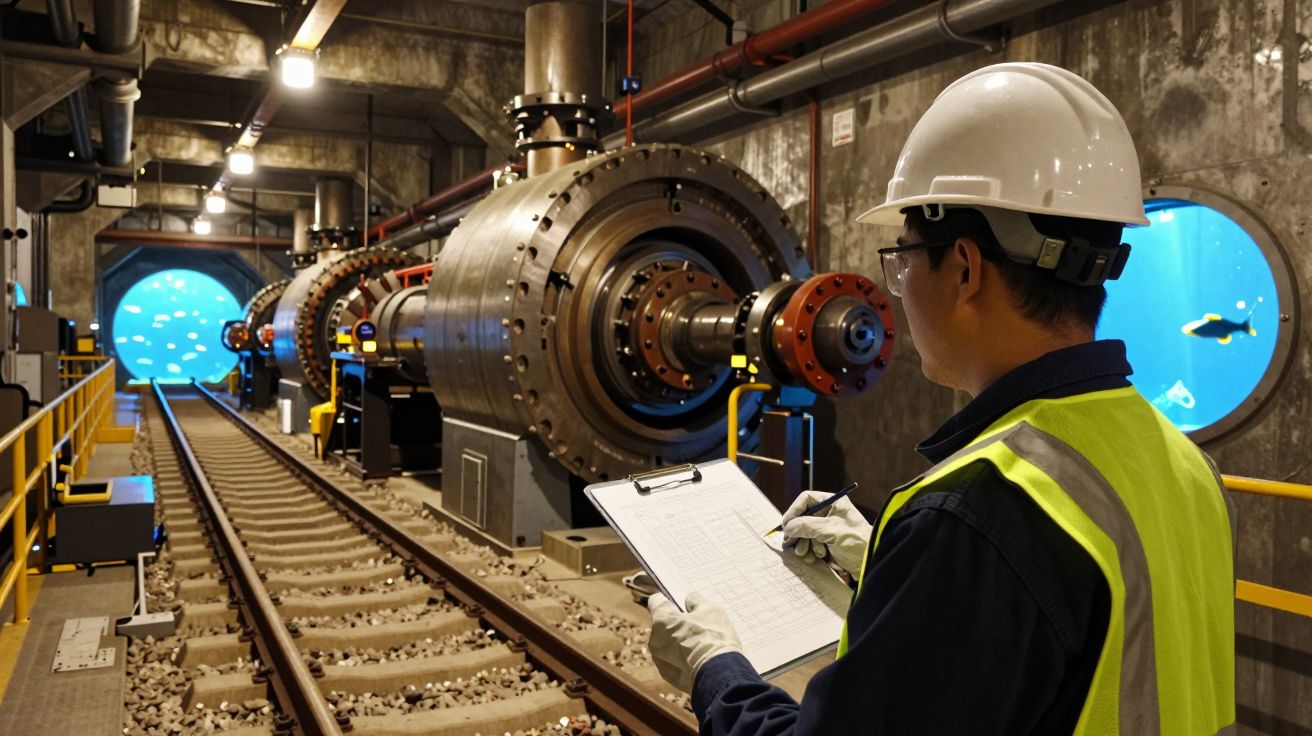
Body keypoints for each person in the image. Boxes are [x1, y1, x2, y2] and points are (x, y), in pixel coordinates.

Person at [645, 62, 1236, 735]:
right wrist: (889, 571)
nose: (897, 287)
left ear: (962, 267)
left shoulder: (978, 515)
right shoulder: (1189, 469)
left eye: (901, 260)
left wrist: (716, 670)